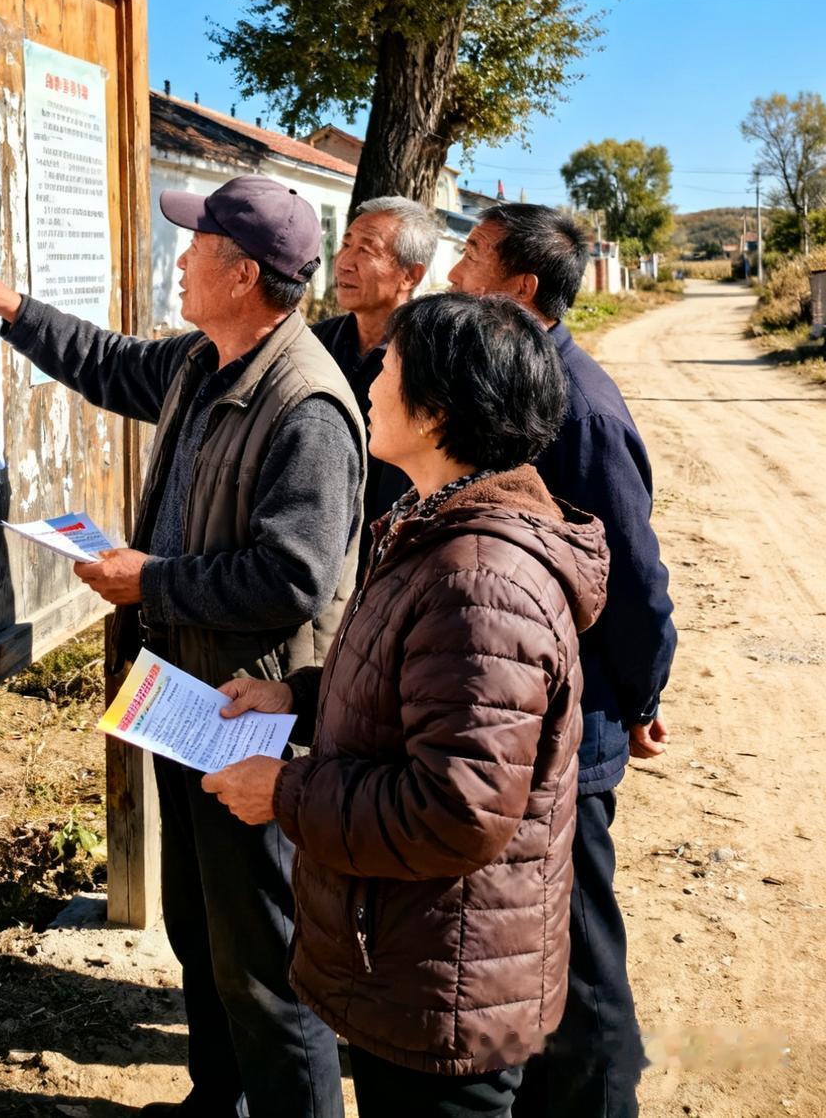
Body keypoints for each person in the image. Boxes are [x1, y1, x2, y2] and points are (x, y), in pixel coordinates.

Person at [0, 173, 366, 1118]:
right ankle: (221, 1103)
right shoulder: (204, 362)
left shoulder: (309, 407)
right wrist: (11, 306)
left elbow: (292, 578)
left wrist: (150, 580)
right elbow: (108, 361)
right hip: (183, 695)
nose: (179, 261)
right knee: (200, 930)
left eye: (195, 247)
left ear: (243, 274)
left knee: (266, 957)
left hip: (252, 714)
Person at [202, 292, 609, 1118]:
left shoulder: (479, 581)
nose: (369, 383)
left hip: (446, 980)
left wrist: (281, 793)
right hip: (414, 955)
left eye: (388, 367)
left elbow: (454, 810)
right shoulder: (434, 526)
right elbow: (415, 695)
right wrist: (298, 697)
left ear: (437, 412)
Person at [448, 203, 677, 1118]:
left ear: (520, 288)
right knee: (536, 939)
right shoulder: (505, 381)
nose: (454, 270)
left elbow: (633, 577)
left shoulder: (576, 405)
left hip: (573, 726)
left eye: (470, 256)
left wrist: (640, 693)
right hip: (525, 714)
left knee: (579, 948)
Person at [314, 196, 441, 561]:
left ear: (410, 275)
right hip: (319, 553)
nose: (345, 262)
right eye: (345, 244)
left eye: (366, 250)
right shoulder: (314, 346)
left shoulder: (430, 362)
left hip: (392, 560)